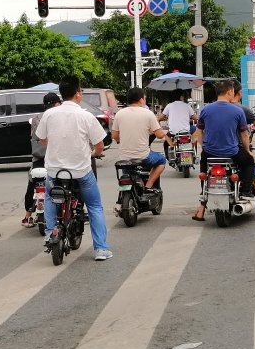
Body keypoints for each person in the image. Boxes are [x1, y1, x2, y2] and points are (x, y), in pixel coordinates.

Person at [36, 78, 111, 260]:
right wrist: (93, 153)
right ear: (77, 93)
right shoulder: (86, 116)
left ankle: (49, 232)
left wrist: (55, 146)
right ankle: (101, 249)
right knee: (94, 206)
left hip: (55, 171)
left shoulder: (49, 114)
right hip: (81, 172)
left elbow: (42, 139)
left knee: (48, 195)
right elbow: (100, 145)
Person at [192, 80, 255, 222]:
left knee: (205, 174)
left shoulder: (205, 110)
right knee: (249, 162)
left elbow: (199, 132)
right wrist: (247, 151)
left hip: (209, 153)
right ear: (229, 92)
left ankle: (201, 208)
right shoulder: (238, 110)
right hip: (231, 153)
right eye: (232, 91)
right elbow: (244, 134)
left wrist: (205, 147)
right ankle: (246, 192)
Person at [112, 87, 173, 190]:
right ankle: (148, 185)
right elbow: (158, 135)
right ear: (141, 99)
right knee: (162, 160)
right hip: (143, 156)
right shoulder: (148, 114)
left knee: (127, 177)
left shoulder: (119, 114)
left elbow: (115, 136)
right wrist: (164, 132)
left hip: (125, 156)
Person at [22, 91, 61, 229]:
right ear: (57, 104)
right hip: (56, 158)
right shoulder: (60, 117)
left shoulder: (35, 119)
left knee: (32, 184)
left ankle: (27, 216)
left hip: (39, 157)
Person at [159, 90, 196, 161]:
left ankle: (172, 146)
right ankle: (193, 143)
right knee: (196, 129)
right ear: (181, 97)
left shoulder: (169, 106)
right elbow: (195, 117)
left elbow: (161, 117)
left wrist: (159, 119)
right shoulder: (187, 106)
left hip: (173, 132)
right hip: (186, 131)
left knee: (165, 132)